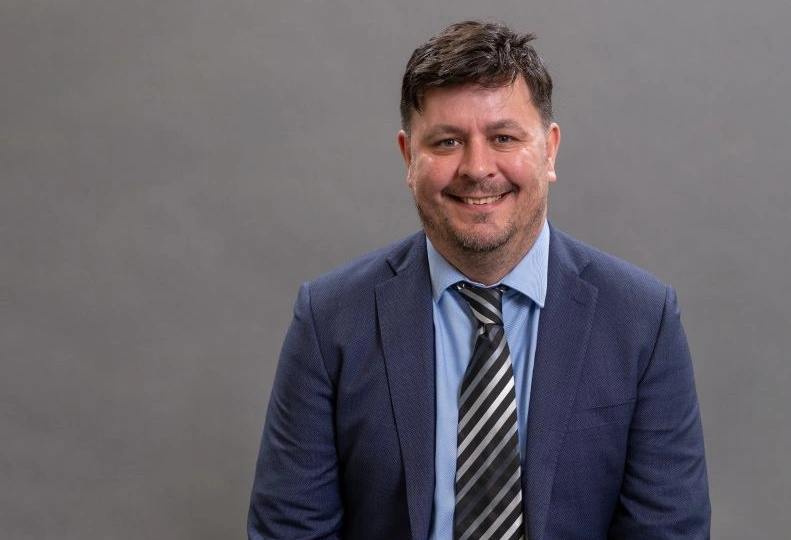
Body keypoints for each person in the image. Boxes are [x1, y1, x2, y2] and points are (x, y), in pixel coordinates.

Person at [248, 20, 710, 540]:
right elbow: (291, 531)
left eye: (503, 137)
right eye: (447, 142)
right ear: (408, 157)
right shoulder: (329, 319)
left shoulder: (642, 320)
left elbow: (668, 530)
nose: (477, 167)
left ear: (549, 149)